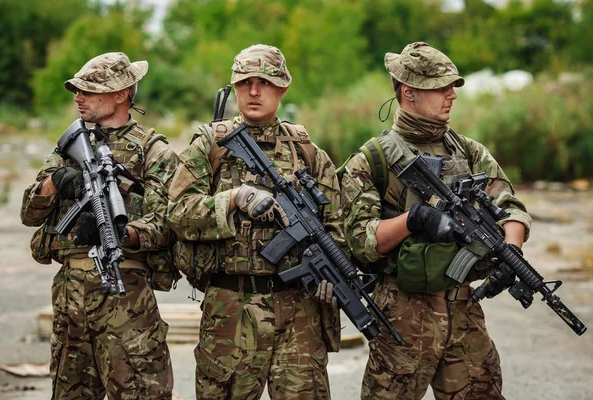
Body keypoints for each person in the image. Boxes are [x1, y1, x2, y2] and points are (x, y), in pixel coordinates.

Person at [340, 42, 533, 399]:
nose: (451, 96)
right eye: (440, 88)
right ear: (409, 93)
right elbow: (362, 241)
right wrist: (412, 220)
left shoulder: (469, 152)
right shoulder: (372, 160)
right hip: (402, 311)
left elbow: (511, 205)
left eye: (452, 87)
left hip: (463, 308)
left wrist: (512, 249)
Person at [167, 44, 342, 400]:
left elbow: (336, 224)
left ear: (283, 89)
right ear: (235, 87)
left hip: (300, 311)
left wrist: (333, 276)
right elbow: (178, 213)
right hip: (231, 308)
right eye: (245, 82)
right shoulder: (210, 145)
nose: (254, 91)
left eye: (264, 82)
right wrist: (233, 199)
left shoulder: (307, 152)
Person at [20, 52, 180, 399]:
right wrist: (57, 182)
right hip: (69, 295)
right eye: (77, 90)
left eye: (89, 90)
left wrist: (124, 232)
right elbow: (29, 213)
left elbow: (170, 221)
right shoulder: (68, 148)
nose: (79, 97)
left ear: (121, 93)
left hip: (126, 294)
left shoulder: (153, 151)